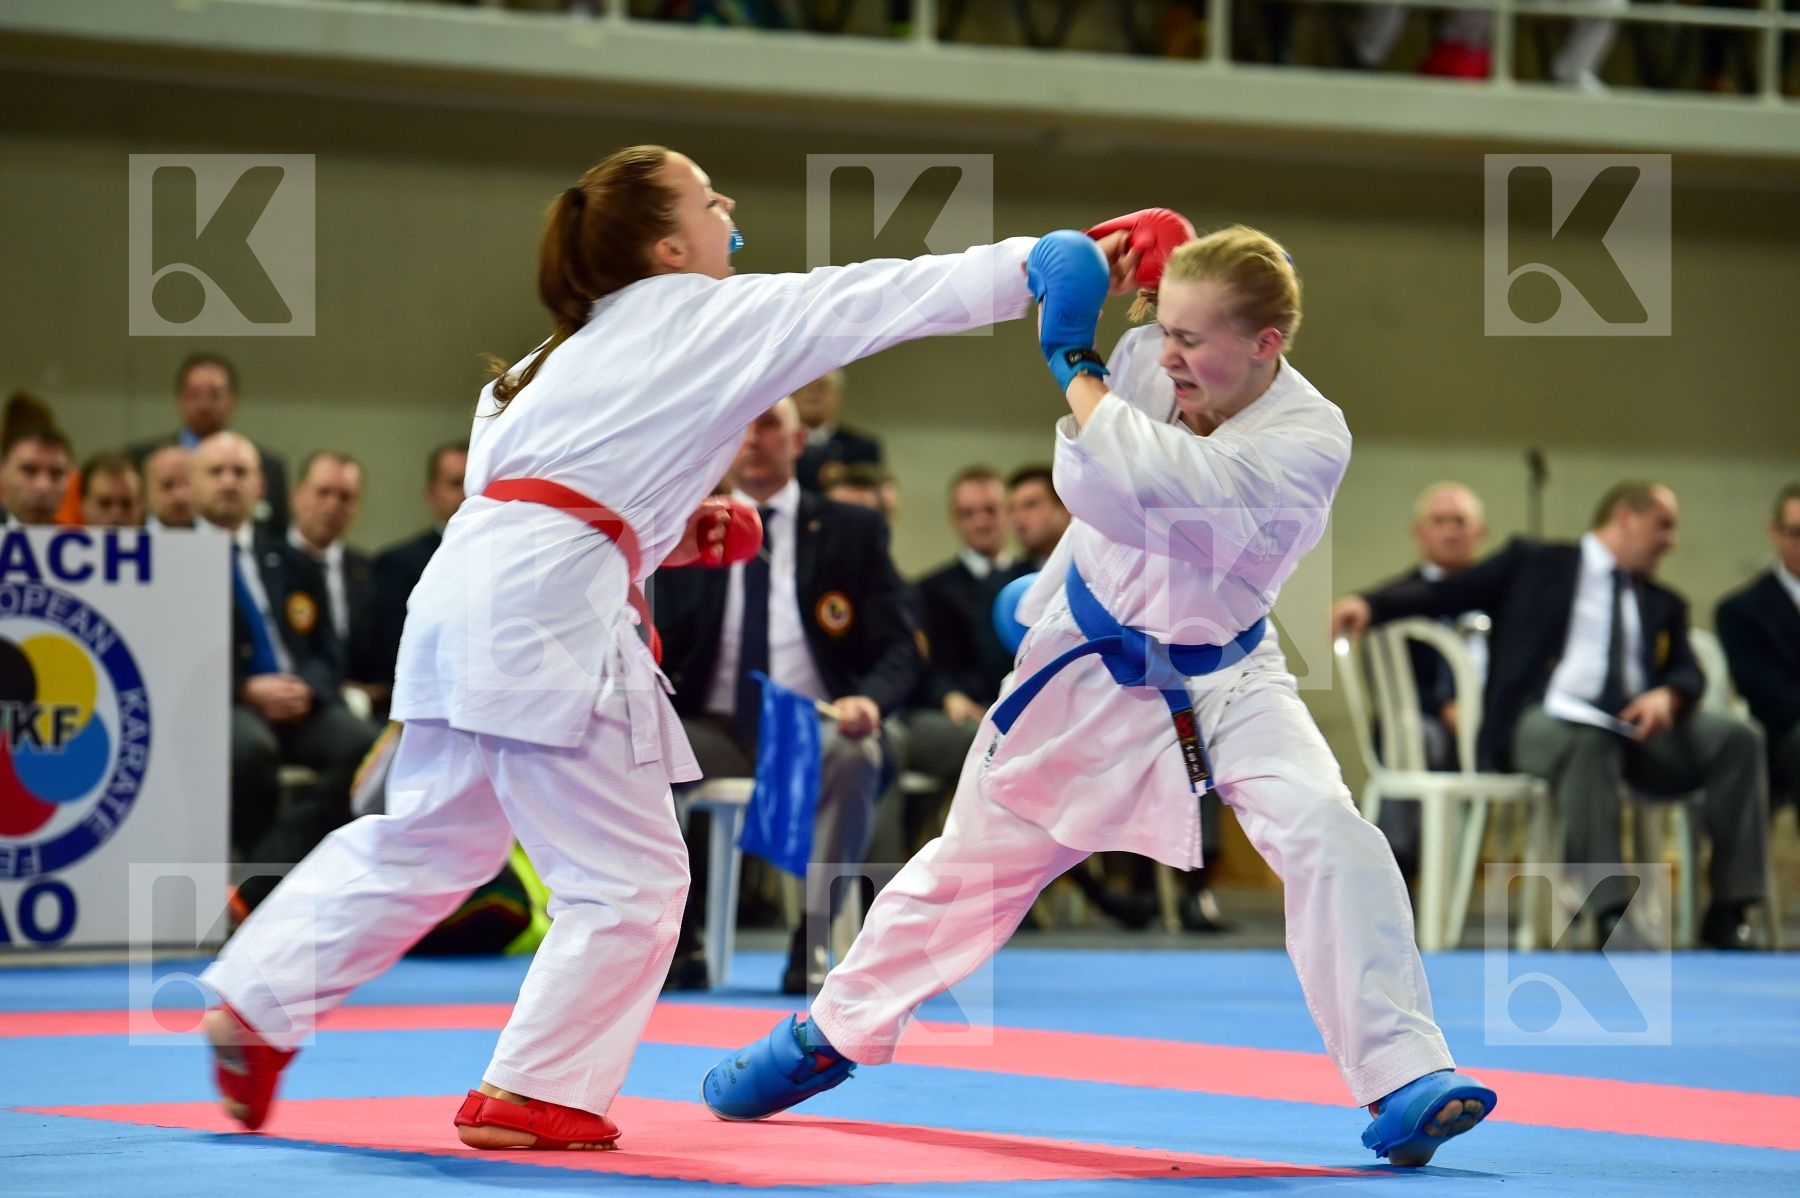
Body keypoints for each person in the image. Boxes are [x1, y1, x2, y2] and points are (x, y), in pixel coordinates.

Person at [199, 144, 1134, 1151]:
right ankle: (533, 1089)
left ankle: (259, 997)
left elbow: (545, 495)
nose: (728, 204)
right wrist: (1037, 263)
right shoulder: (702, 311)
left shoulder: (533, 365)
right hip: (550, 615)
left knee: (432, 840)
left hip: (463, 598)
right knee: (634, 880)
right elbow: (872, 298)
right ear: (667, 246)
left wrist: (664, 534)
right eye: (705, 197)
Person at [703, 222, 1495, 1168]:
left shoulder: (1309, 439)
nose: (1170, 354)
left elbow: (1155, 485)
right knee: (966, 876)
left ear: (1266, 343)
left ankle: (1405, 1076)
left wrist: (1072, 359)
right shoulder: (1154, 363)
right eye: (1166, 329)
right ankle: (825, 1036)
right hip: (1083, 670)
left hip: (1225, 675)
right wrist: (1040, 601)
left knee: (1328, 828)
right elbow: (1093, 501)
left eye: (1193, 338)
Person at [1335, 482, 1770, 950]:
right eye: (1663, 526)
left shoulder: (1662, 601)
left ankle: (1731, 910)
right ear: (1626, 518)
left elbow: (1688, 669)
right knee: (1587, 742)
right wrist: (1371, 604)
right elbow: (1446, 593)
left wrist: (1669, 694)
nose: (1671, 541)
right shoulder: (1536, 563)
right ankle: (1610, 914)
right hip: (1540, 722)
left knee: (1738, 738)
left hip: (1632, 727)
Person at [128, 353, 291, 531]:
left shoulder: (266, 465)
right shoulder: (141, 460)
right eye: (194, 394)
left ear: (234, 400)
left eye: (214, 394)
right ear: (178, 399)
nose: (203, 403)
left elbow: (276, 532)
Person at [1715, 483, 1800, 813]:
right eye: (1796, 533)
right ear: (1774, 532)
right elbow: (1762, 688)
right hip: (1782, 733)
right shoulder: (1742, 610)